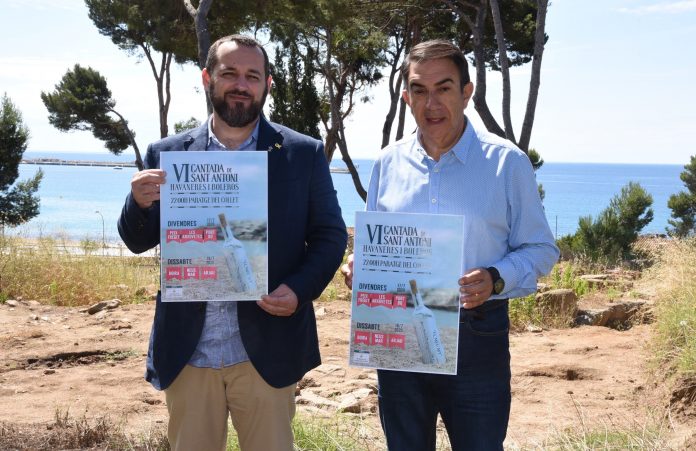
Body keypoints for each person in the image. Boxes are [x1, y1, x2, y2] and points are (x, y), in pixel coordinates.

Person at [118, 34, 347, 451]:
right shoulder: (168, 152)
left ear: (267, 85)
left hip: (267, 351)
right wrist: (137, 203)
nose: (241, 84)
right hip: (189, 353)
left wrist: (298, 290)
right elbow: (137, 240)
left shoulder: (302, 153)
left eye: (252, 75)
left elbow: (331, 235)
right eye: (229, 73)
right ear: (208, 78)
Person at [341, 40, 559, 450]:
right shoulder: (388, 163)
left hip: (476, 334)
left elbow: (541, 248)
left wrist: (496, 278)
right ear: (406, 97)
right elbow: (379, 242)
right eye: (420, 90)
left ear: (467, 92)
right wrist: (362, 266)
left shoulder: (506, 164)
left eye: (443, 88)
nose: (432, 103)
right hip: (398, 332)